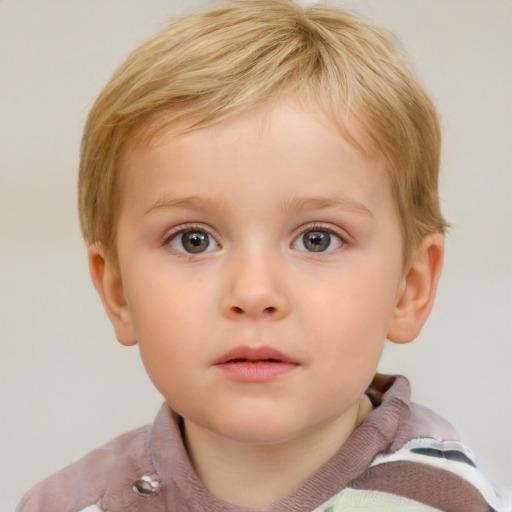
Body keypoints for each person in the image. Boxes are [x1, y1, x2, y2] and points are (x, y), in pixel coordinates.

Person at [16, 1, 510, 510]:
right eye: (194, 240)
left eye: (318, 239)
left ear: (410, 288)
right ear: (118, 293)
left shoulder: (444, 501)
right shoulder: (66, 503)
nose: (253, 293)